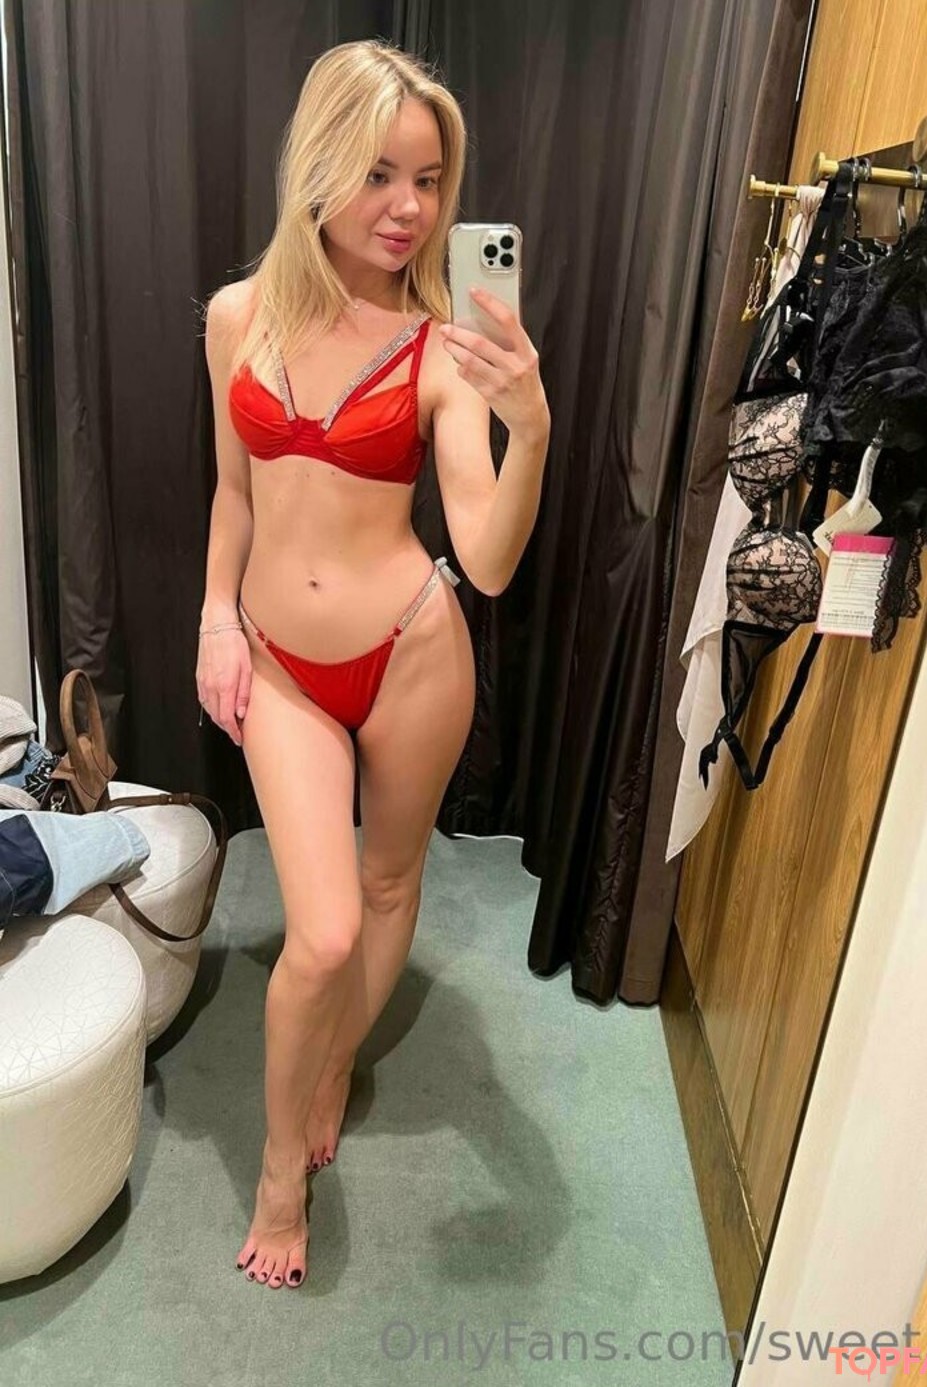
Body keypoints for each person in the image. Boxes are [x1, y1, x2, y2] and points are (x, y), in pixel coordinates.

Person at [196, 39, 550, 1291]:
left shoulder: (444, 350)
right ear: (320, 164)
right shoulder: (237, 317)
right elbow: (235, 493)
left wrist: (530, 427)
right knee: (325, 929)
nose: (409, 208)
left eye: (431, 180)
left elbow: (489, 562)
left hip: (410, 654)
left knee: (390, 883)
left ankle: (336, 1061)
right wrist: (215, 616)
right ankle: (277, 1173)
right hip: (284, 664)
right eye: (381, 174)